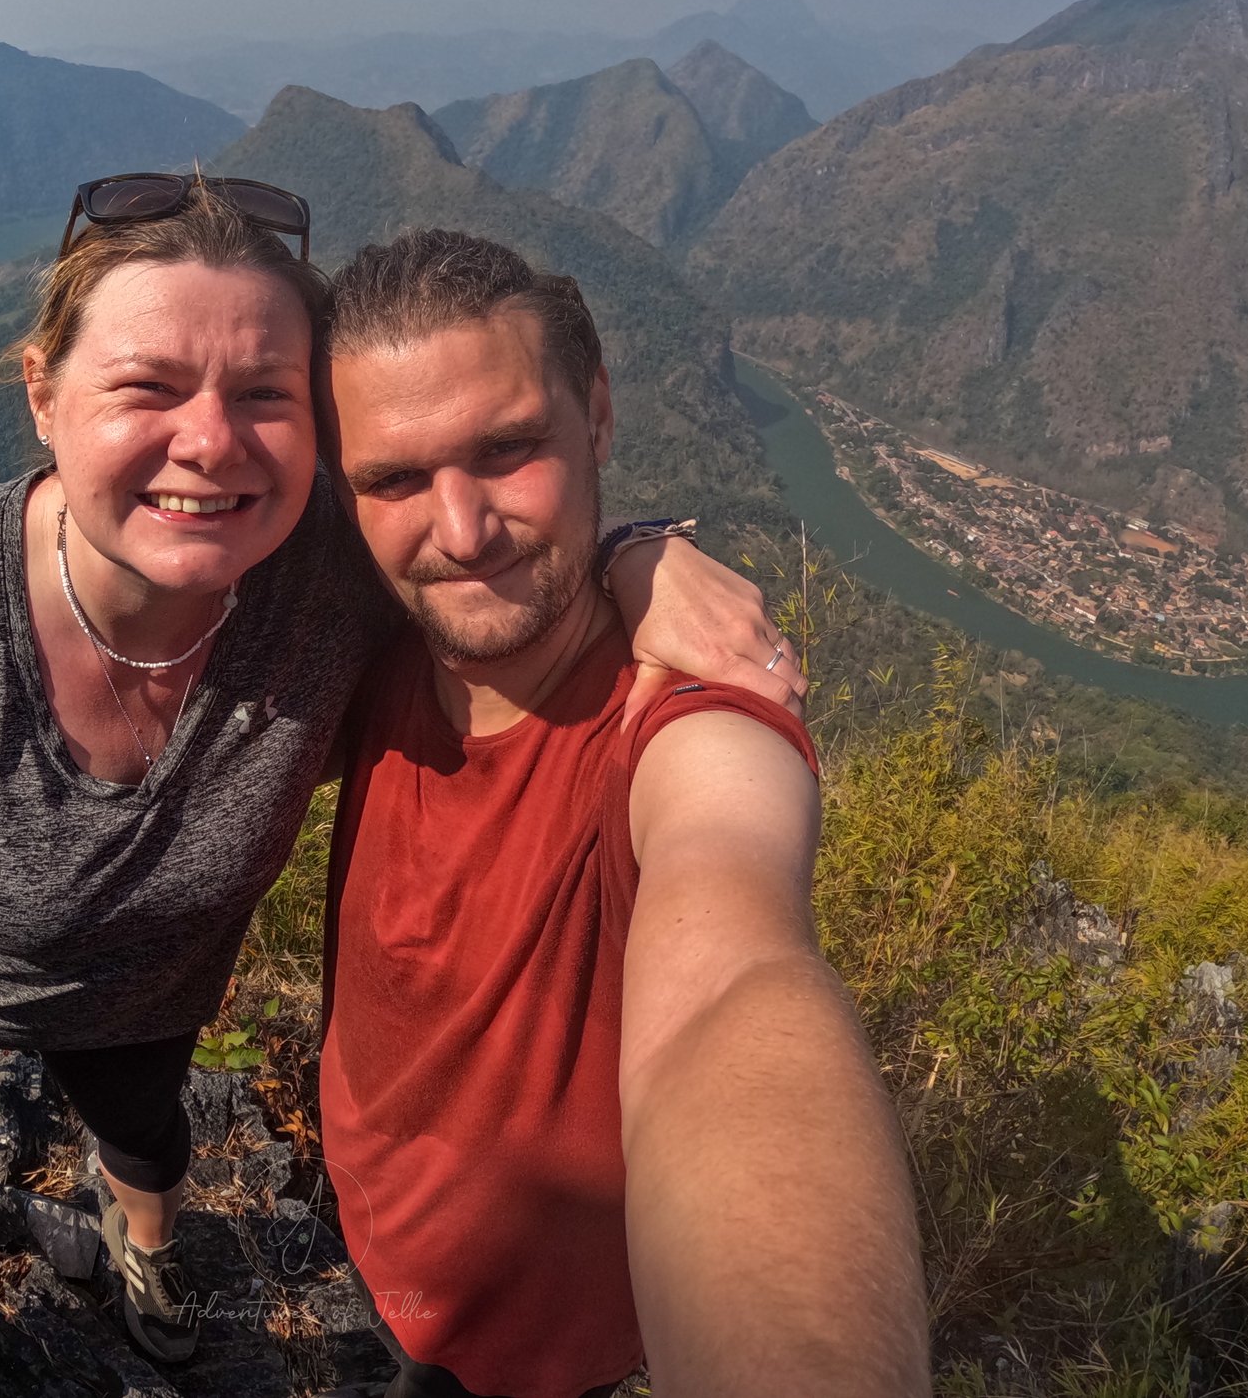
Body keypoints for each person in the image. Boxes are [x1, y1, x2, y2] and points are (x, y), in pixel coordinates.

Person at [0, 175, 805, 1396]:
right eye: (147, 387)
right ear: (42, 394)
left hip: (140, 994)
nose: (211, 444)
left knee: (147, 1146)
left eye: (264, 396)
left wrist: (634, 555)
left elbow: (483, 537)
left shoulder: (328, 568)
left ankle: (145, 1249)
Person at [317, 228, 930, 1398]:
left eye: (507, 450)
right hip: (371, 1231)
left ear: (595, 417)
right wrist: (630, 548)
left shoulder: (684, 720)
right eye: (393, 480)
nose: (460, 531)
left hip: (537, 1351)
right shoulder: (372, 644)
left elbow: (731, 990)